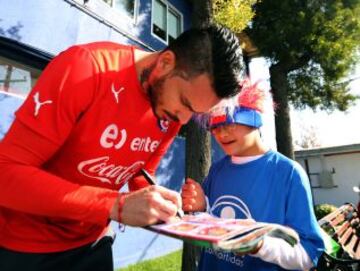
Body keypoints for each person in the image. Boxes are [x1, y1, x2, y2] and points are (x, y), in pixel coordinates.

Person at [0, 24, 244, 271]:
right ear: (165, 63)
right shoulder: (86, 69)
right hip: (25, 244)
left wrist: (158, 201)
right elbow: (5, 173)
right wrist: (115, 205)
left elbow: (140, 172)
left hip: (93, 242)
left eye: (195, 112)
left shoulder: (169, 110)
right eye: (185, 103)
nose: (182, 121)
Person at [181, 81, 325, 271]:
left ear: (254, 118)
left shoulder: (288, 173)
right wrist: (201, 208)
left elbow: (308, 254)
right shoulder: (217, 170)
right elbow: (212, 225)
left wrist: (259, 244)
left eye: (230, 121)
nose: (221, 133)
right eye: (213, 126)